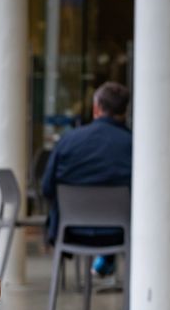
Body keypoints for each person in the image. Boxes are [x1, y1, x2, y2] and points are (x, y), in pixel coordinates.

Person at [41, 81, 132, 277]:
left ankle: (103, 264)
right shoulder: (134, 144)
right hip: (121, 233)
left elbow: (47, 188)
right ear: (125, 110)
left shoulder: (68, 141)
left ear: (96, 107)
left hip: (70, 231)